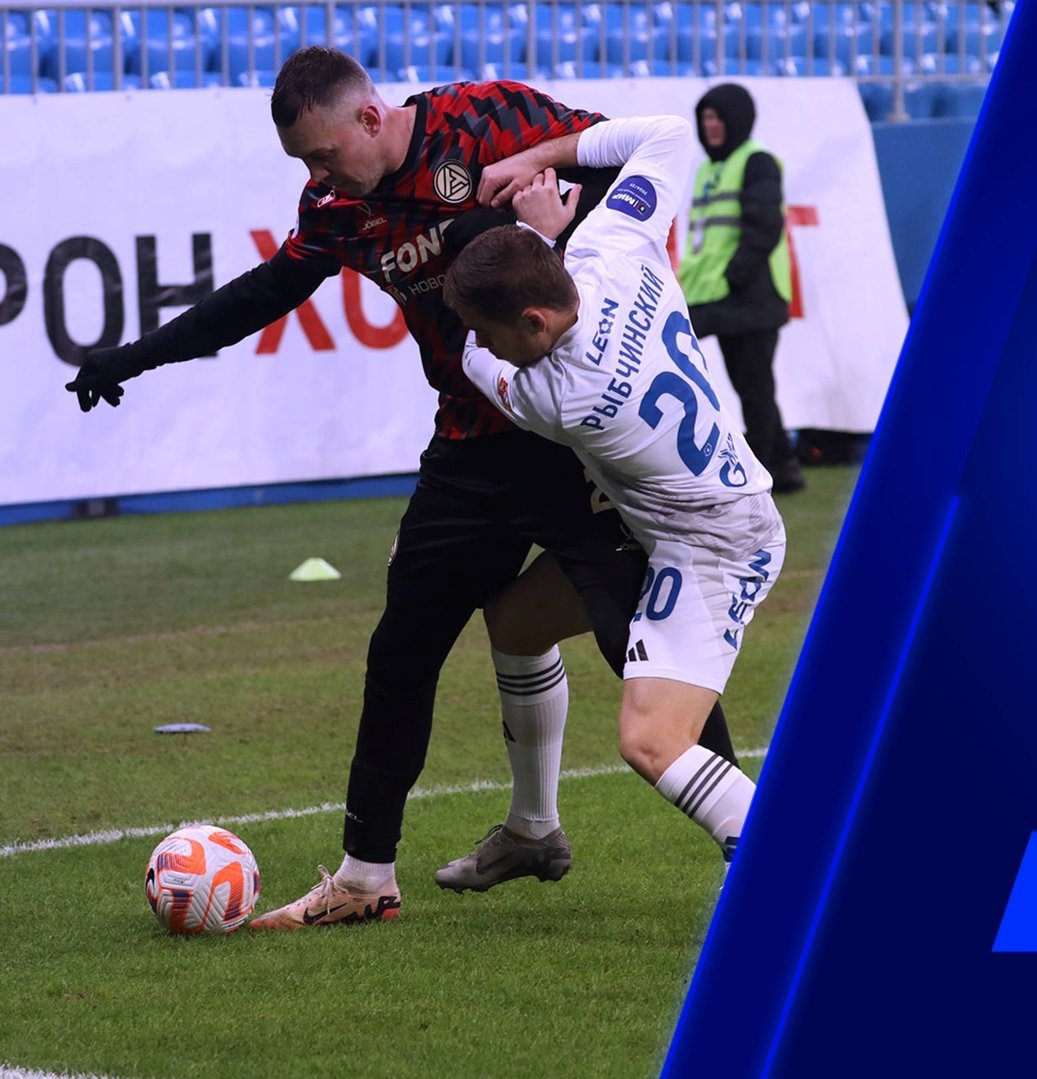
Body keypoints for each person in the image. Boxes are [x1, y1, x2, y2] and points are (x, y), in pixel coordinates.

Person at [59, 47, 737, 928]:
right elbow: (262, 294)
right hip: (470, 448)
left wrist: (554, 227)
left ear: (371, 117)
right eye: (304, 163)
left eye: (322, 153)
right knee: (403, 649)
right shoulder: (335, 208)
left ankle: (755, 846)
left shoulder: (487, 120)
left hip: (572, 440)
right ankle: (366, 876)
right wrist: (134, 357)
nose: (316, 175)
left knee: (639, 643)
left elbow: (613, 168)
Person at [447, 114, 783, 866]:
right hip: (690, 513)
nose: (486, 339)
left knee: (652, 740)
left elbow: (472, 358)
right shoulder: (611, 243)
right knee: (517, 623)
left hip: (716, 545)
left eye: (493, 328)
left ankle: (789, 862)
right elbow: (666, 134)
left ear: (532, 320)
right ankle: (533, 830)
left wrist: (532, 237)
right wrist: (537, 172)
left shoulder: (558, 398)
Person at [680, 83, 806, 494]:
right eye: (706, 118)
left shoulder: (756, 161)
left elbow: (765, 228)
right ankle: (784, 468)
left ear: (737, 120)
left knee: (754, 389)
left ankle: (762, 474)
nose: (711, 125)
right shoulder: (708, 168)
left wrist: (735, 275)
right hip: (714, 295)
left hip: (751, 295)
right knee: (753, 387)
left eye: (718, 117)